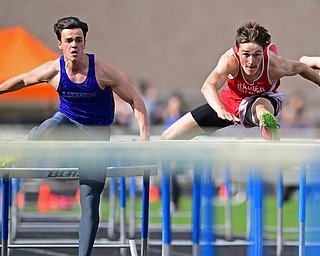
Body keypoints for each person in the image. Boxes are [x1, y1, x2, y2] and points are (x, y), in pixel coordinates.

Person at [0, 16, 149, 256]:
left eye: (78, 40)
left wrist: (144, 140)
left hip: (96, 135)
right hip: (67, 124)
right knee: (50, 125)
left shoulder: (101, 70)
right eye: (69, 40)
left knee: (90, 202)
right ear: (60, 44)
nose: (74, 45)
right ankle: (16, 155)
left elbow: (136, 100)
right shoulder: (53, 69)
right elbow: (22, 80)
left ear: (85, 43)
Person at [162, 20, 320, 142]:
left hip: (262, 100)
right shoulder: (229, 60)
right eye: (246, 55)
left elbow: (301, 69)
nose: (251, 62)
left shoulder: (275, 65)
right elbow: (208, 86)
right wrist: (220, 109)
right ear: (238, 51)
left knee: (261, 109)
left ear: (264, 52)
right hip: (228, 103)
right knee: (168, 137)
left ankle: (268, 127)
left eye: (257, 55)